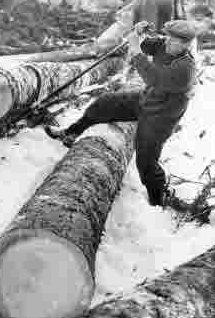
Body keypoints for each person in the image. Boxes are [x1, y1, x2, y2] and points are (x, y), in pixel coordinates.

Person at [45, 20, 198, 207]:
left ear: (186, 45)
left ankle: (158, 199)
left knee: (146, 162)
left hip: (161, 117)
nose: (167, 43)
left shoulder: (185, 68)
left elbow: (152, 77)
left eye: (173, 42)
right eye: (168, 38)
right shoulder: (167, 45)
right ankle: (71, 133)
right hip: (147, 100)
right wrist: (139, 33)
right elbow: (147, 45)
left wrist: (135, 50)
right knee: (105, 103)